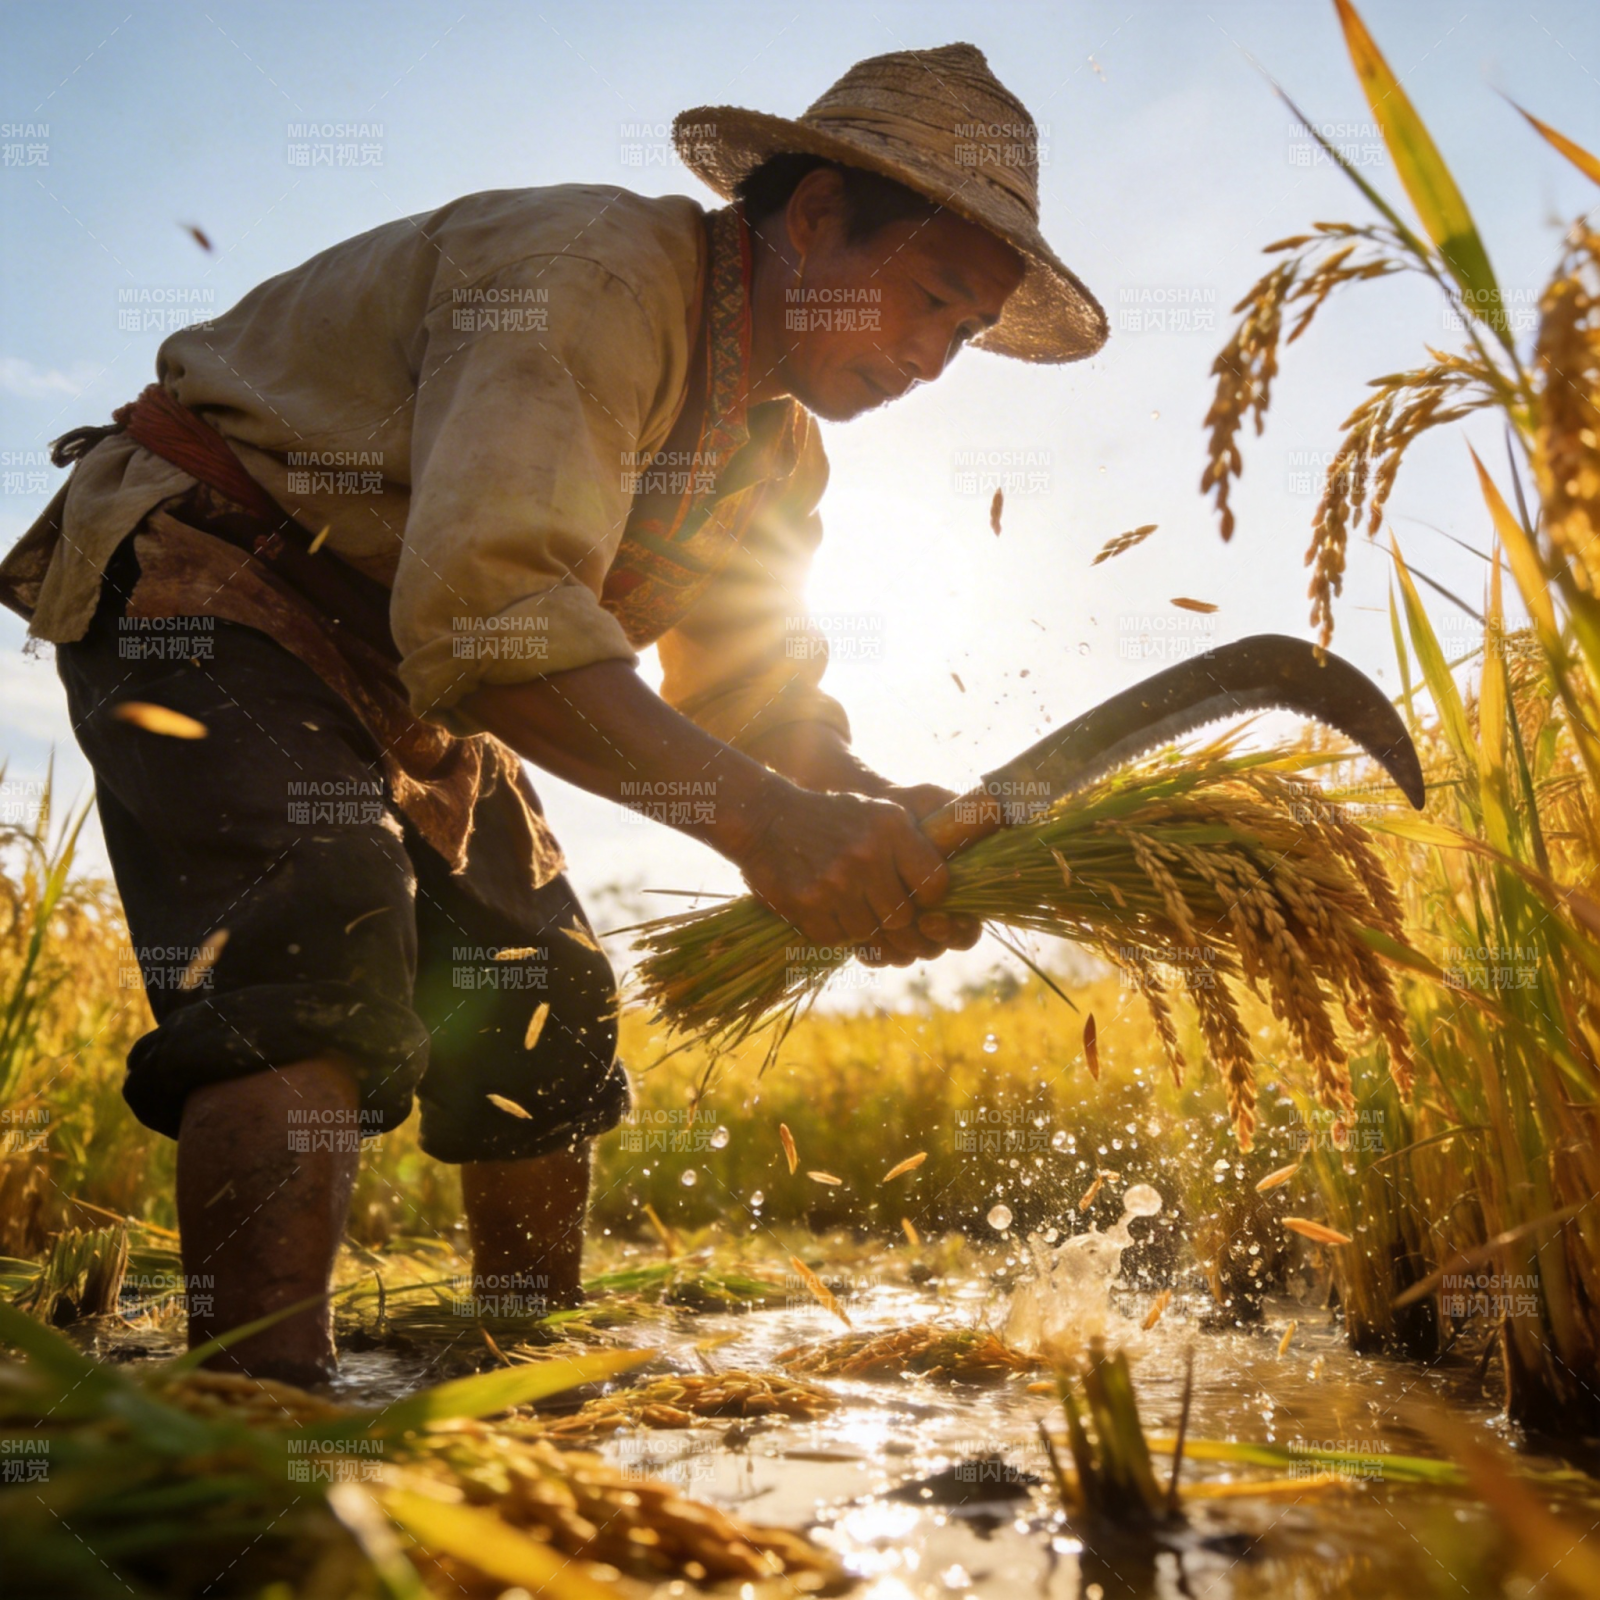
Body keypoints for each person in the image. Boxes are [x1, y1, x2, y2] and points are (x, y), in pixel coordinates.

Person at [0, 42, 1106, 1386]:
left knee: (547, 990)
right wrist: (769, 829)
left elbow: (753, 688)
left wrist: (864, 809)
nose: (933, 360)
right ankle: (251, 1427)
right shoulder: (589, 282)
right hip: (224, 578)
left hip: (415, 672)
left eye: (963, 334)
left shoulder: (777, 447)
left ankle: (522, 1375)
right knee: (314, 928)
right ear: (812, 217)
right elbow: (497, 618)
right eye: (926, 301)